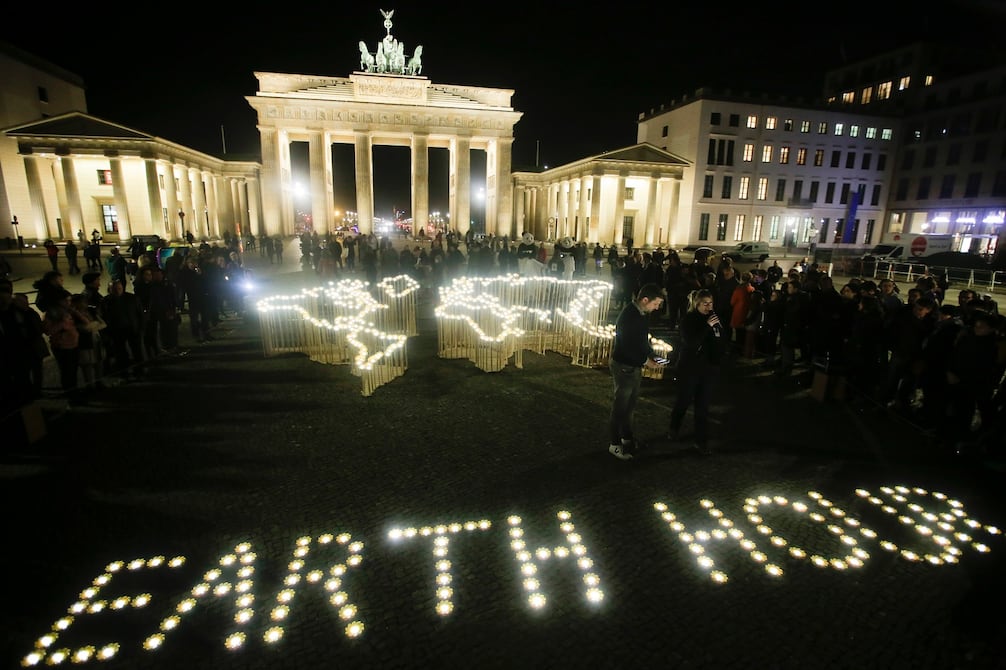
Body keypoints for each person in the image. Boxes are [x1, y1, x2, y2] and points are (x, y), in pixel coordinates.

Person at [607, 282, 666, 461]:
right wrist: (645, 360)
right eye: (655, 304)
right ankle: (614, 444)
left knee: (630, 407)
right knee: (620, 407)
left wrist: (652, 354)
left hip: (633, 366)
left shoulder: (640, 314)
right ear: (645, 300)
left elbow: (641, 340)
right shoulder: (630, 316)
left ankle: (627, 438)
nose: (657, 308)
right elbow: (626, 345)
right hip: (624, 366)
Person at [667, 289, 725, 455]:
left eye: (711, 303)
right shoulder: (689, 320)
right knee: (684, 400)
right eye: (705, 303)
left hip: (709, 369)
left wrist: (719, 338)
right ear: (697, 304)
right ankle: (674, 427)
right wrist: (707, 327)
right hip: (690, 368)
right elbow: (692, 343)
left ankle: (701, 441)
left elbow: (721, 340)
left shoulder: (715, 319)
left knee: (703, 406)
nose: (709, 307)